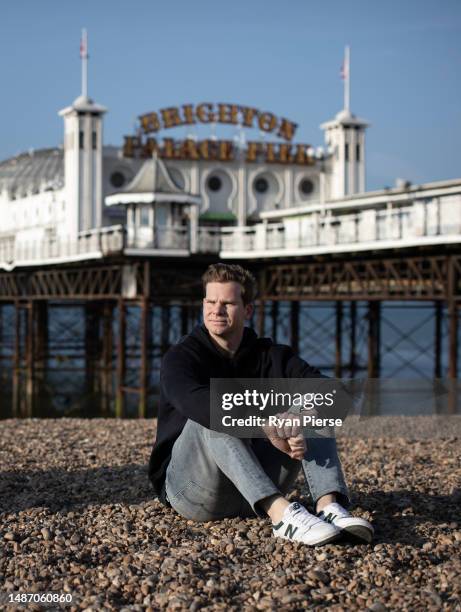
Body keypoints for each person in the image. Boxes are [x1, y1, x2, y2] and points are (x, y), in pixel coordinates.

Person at [148, 263, 373, 546]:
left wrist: (298, 418)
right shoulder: (181, 357)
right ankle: (282, 517)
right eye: (210, 302)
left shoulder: (271, 356)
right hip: (194, 492)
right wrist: (263, 425)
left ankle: (328, 507)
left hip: (255, 486)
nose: (216, 311)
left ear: (248, 310)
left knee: (312, 403)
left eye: (227, 303)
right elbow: (193, 401)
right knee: (216, 413)